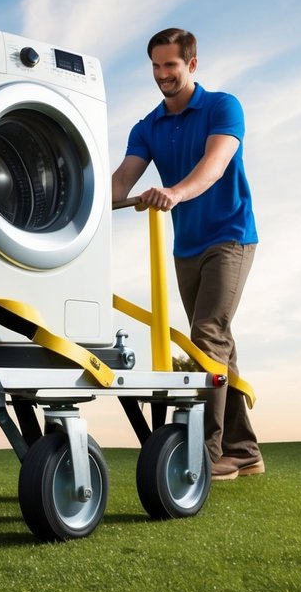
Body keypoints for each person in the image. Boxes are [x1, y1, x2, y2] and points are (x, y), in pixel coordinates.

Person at [111, 28, 261, 482]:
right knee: (217, 346)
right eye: (155, 66)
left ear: (191, 65)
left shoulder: (222, 107)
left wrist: (173, 192)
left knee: (207, 332)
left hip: (230, 236)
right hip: (185, 245)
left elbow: (214, 167)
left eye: (170, 66)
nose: (162, 75)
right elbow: (121, 184)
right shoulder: (147, 127)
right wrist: (76, 207)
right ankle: (245, 449)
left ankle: (207, 452)